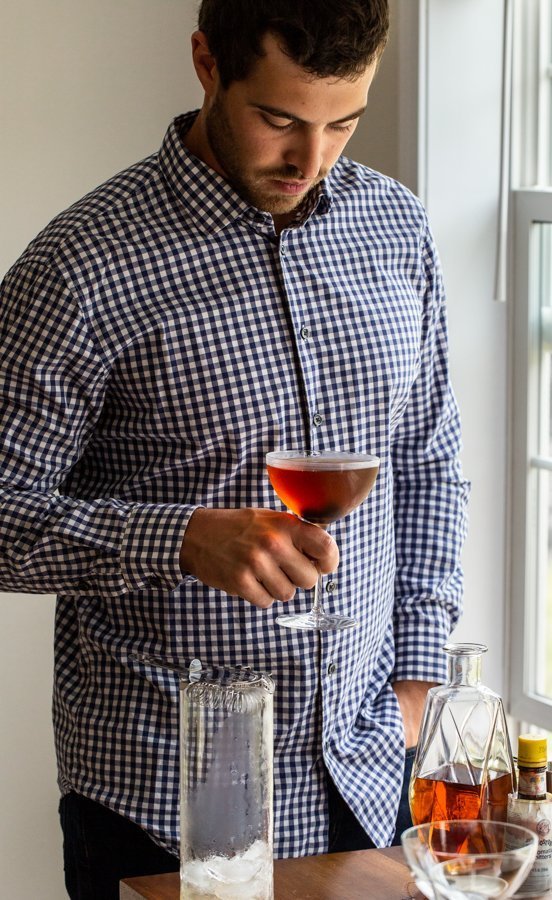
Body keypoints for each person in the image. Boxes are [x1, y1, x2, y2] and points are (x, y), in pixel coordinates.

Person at [0, 0, 470, 896]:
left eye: (344, 123)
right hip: (162, 803)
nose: (312, 159)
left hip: (373, 779)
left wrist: (417, 675)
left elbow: (429, 458)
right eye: (280, 120)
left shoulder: (397, 229)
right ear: (206, 63)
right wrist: (177, 538)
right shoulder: (80, 267)